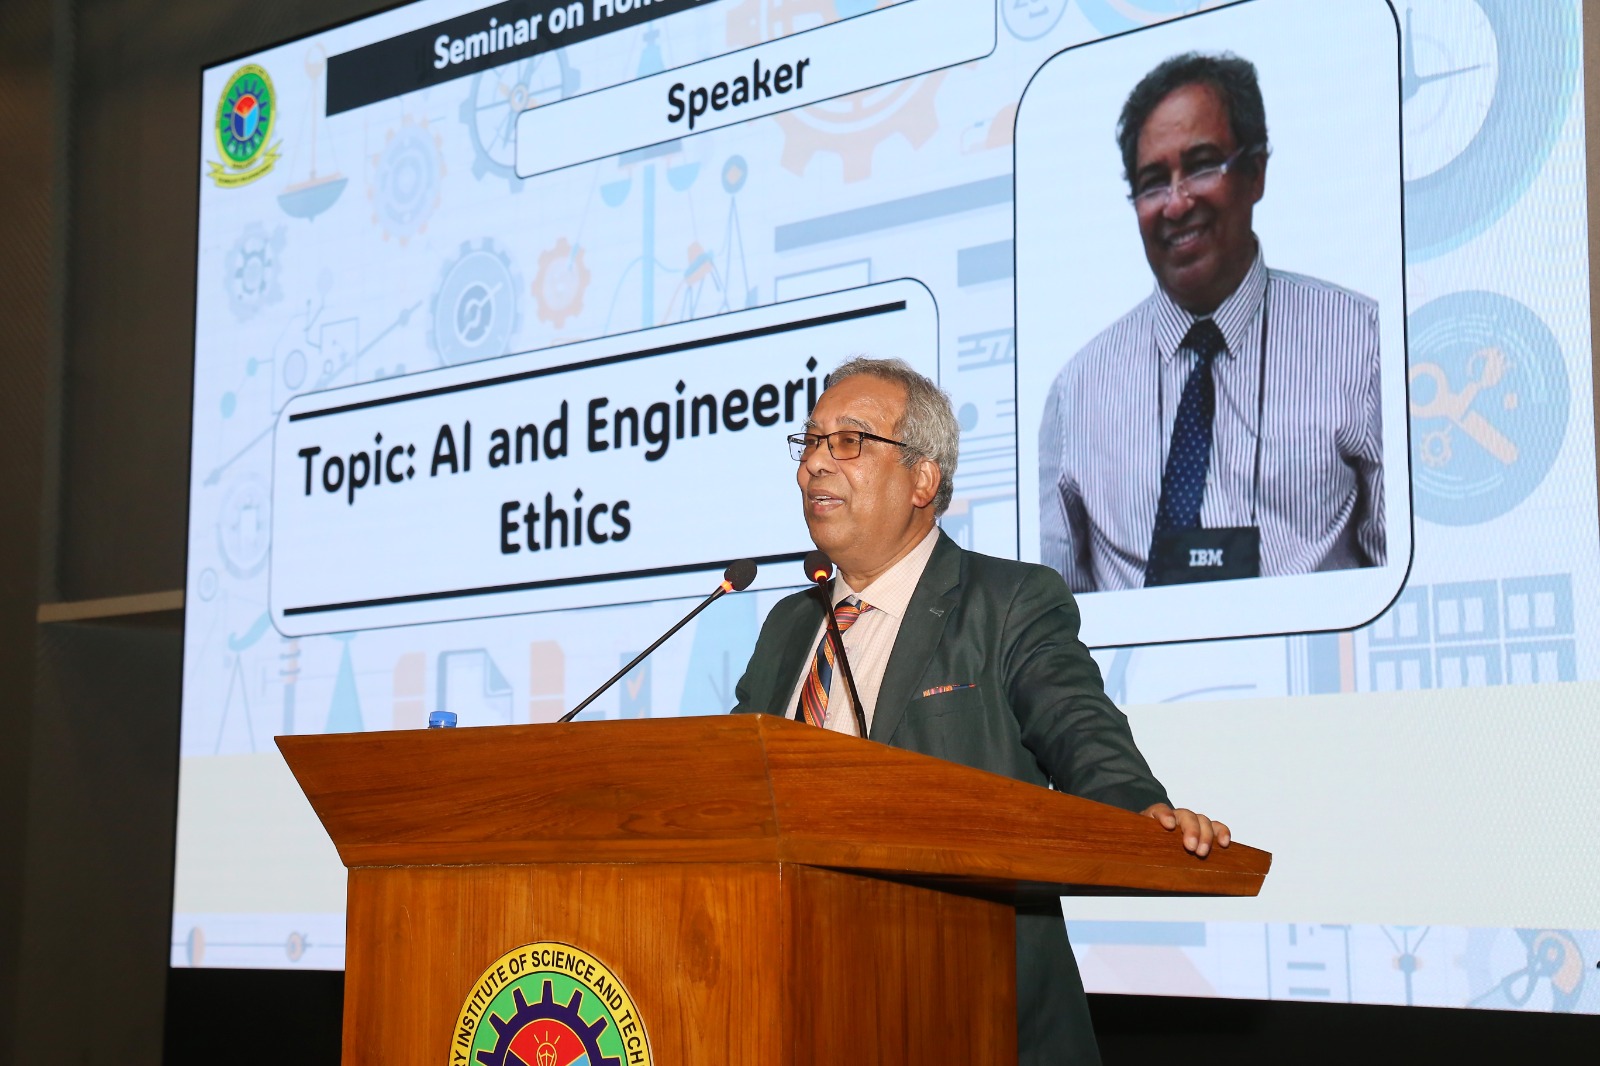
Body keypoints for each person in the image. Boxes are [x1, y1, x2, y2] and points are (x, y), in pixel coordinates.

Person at [731, 356, 1229, 1065]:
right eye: (810, 441)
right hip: (798, 1000)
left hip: (972, 1006)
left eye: (848, 441)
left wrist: (1139, 811)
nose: (814, 463)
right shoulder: (789, 624)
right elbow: (734, 786)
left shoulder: (1008, 602)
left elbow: (1078, 727)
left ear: (923, 481)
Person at [1039, 51, 1385, 592]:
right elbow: (1055, 617)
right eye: (1153, 181)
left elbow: (1409, 582)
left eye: (1201, 166)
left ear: (1256, 172)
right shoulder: (1077, 394)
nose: (1177, 204)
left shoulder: (1363, 344)